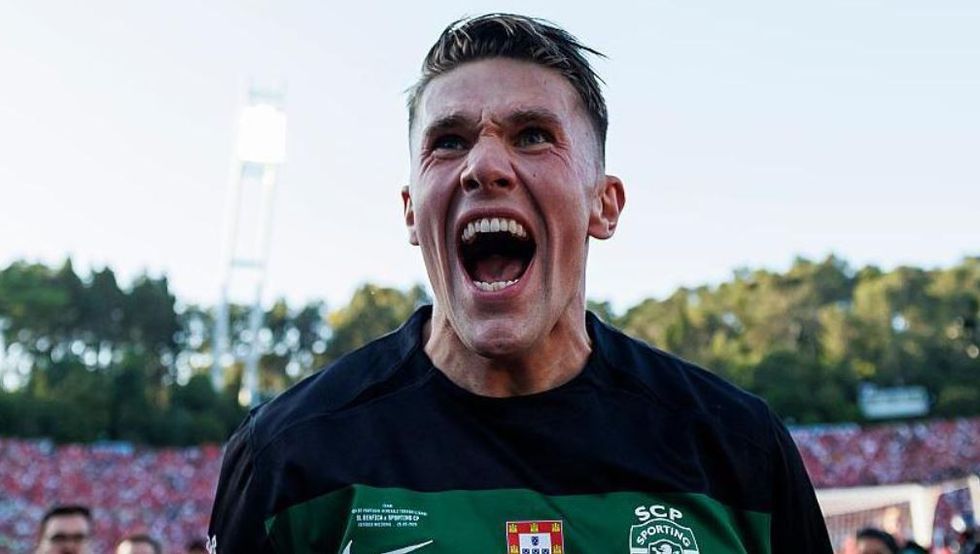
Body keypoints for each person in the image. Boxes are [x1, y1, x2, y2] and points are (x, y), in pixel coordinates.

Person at [209, 13, 833, 553]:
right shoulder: (288, 457)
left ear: (604, 205)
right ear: (411, 212)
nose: (483, 166)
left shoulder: (738, 450)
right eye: (448, 142)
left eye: (533, 136)